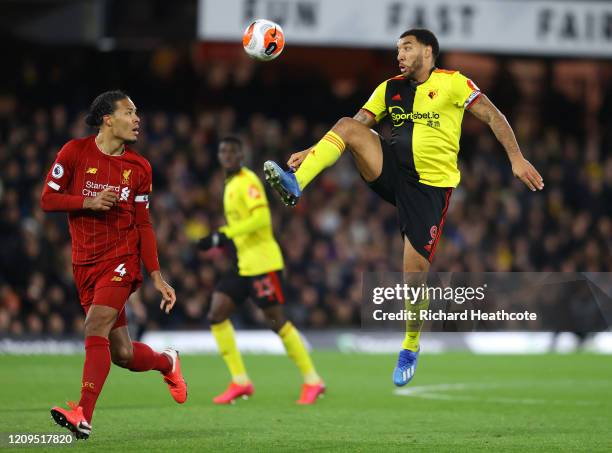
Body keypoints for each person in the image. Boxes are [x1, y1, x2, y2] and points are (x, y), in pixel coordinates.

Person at [263, 29, 544, 386]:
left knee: (413, 276)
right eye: (398, 49)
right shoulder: (389, 88)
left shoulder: (454, 83)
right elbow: (359, 125)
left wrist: (516, 159)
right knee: (347, 126)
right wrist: (310, 153)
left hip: (429, 190)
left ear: (428, 51)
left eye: (407, 48)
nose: (400, 54)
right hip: (393, 170)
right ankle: (296, 183)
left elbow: (493, 116)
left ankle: (410, 344)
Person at [41, 90, 187, 439]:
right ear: (108, 118)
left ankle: (82, 414)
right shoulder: (73, 152)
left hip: (120, 261)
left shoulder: (139, 168)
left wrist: (155, 274)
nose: (137, 119)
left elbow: (144, 224)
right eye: (129, 112)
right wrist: (87, 201)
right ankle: (167, 362)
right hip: (84, 264)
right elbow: (48, 199)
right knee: (121, 352)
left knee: (94, 327)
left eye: (137, 113)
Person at [198, 136, 325, 404]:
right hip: (243, 264)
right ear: (219, 156)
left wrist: (224, 235)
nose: (228, 156)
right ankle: (240, 381)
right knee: (217, 313)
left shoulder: (248, 181)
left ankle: (313, 380)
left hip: (263, 263)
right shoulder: (230, 184)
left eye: (233, 152)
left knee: (277, 322)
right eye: (223, 151)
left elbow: (261, 218)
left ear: (241, 155)